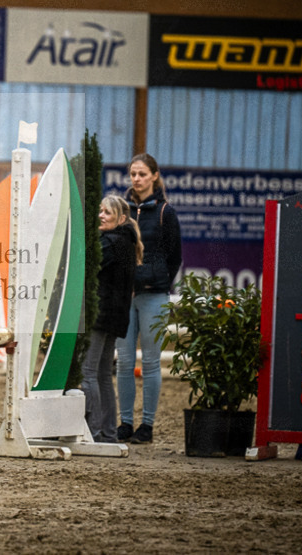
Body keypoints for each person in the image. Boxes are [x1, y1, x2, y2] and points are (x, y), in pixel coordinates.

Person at [116, 153, 182, 444]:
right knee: (124, 362)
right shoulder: (121, 210)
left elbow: (175, 256)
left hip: (154, 296)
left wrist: (157, 282)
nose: (137, 179)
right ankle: (125, 423)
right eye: (133, 174)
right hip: (124, 296)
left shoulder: (167, 212)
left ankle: (148, 426)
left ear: (154, 176)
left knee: (152, 363)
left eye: (142, 174)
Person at [83, 195, 142, 444]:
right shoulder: (127, 241)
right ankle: (108, 433)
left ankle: (93, 431)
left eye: (107, 213)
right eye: (100, 211)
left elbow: (88, 266)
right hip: (117, 316)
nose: (101, 216)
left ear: (121, 218)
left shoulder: (109, 242)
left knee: (88, 373)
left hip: (101, 314)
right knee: (104, 375)